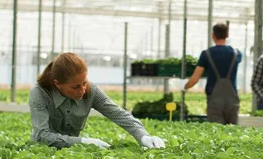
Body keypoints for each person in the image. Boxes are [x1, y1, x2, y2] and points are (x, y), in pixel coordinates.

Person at [29, 52, 165, 149]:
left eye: (84, 83)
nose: (82, 90)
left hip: (74, 152)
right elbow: (42, 135)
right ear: (58, 84)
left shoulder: (91, 90)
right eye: (75, 87)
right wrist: (83, 142)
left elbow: (118, 114)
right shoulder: (39, 93)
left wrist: (143, 136)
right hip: (41, 152)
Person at [182, 23, 242, 124]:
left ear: (213, 35)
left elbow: (195, 79)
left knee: (216, 133)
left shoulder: (206, 54)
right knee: (233, 133)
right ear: (227, 35)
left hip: (214, 102)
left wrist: (184, 86)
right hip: (232, 101)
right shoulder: (237, 53)